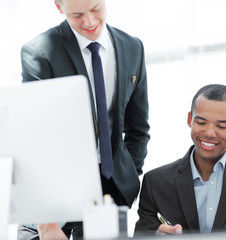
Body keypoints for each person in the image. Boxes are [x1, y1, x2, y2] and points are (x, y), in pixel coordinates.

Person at [18, 0, 150, 239]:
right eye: (77, 14)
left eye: (96, 8)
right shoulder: (39, 53)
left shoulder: (133, 47)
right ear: (59, 6)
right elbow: (34, 139)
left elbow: (138, 128)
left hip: (110, 190)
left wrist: (128, 175)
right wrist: (46, 221)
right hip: (53, 192)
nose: (89, 22)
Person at [134, 84, 226, 236]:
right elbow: (142, 236)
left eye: (222, 126)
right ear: (189, 119)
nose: (209, 133)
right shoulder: (155, 182)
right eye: (201, 123)